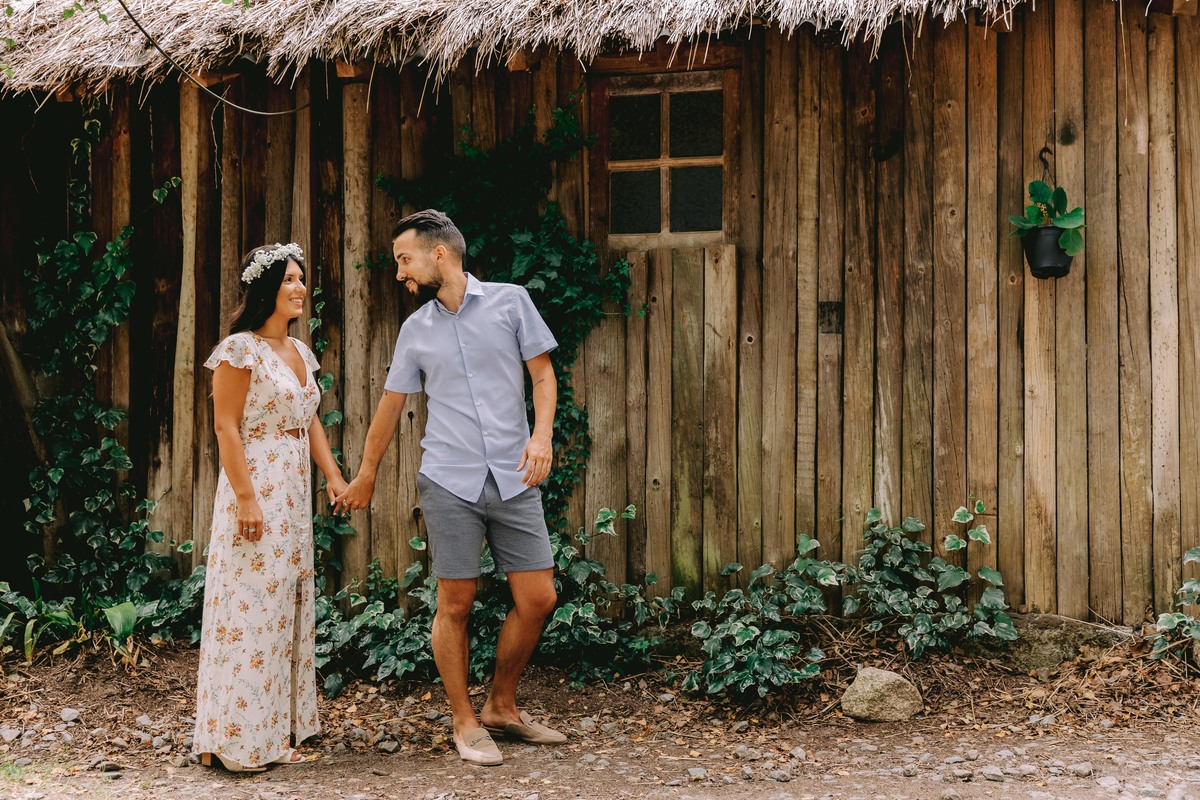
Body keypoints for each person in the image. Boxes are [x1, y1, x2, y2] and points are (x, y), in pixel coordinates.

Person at [333, 209, 566, 766]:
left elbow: (542, 374)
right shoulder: (416, 330)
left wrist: (541, 438)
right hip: (449, 480)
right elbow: (391, 407)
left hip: (515, 475)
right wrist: (366, 474)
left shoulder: (512, 303)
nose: (399, 273)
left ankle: (501, 707)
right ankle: (464, 720)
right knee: (455, 604)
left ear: (440, 253)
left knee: (538, 599)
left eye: (404, 259)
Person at [194, 243, 347, 773]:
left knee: (282, 606)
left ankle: (271, 728)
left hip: (294, 494)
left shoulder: (302, 354)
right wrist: (246, 499)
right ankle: (234, 740)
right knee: (247, 609)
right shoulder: (239, 350)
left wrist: (332, 476)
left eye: (302, 279)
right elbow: (226, 427)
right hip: (254, 487)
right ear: (265, 290)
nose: (300, 288)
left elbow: (309, 422)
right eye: (289, 280)